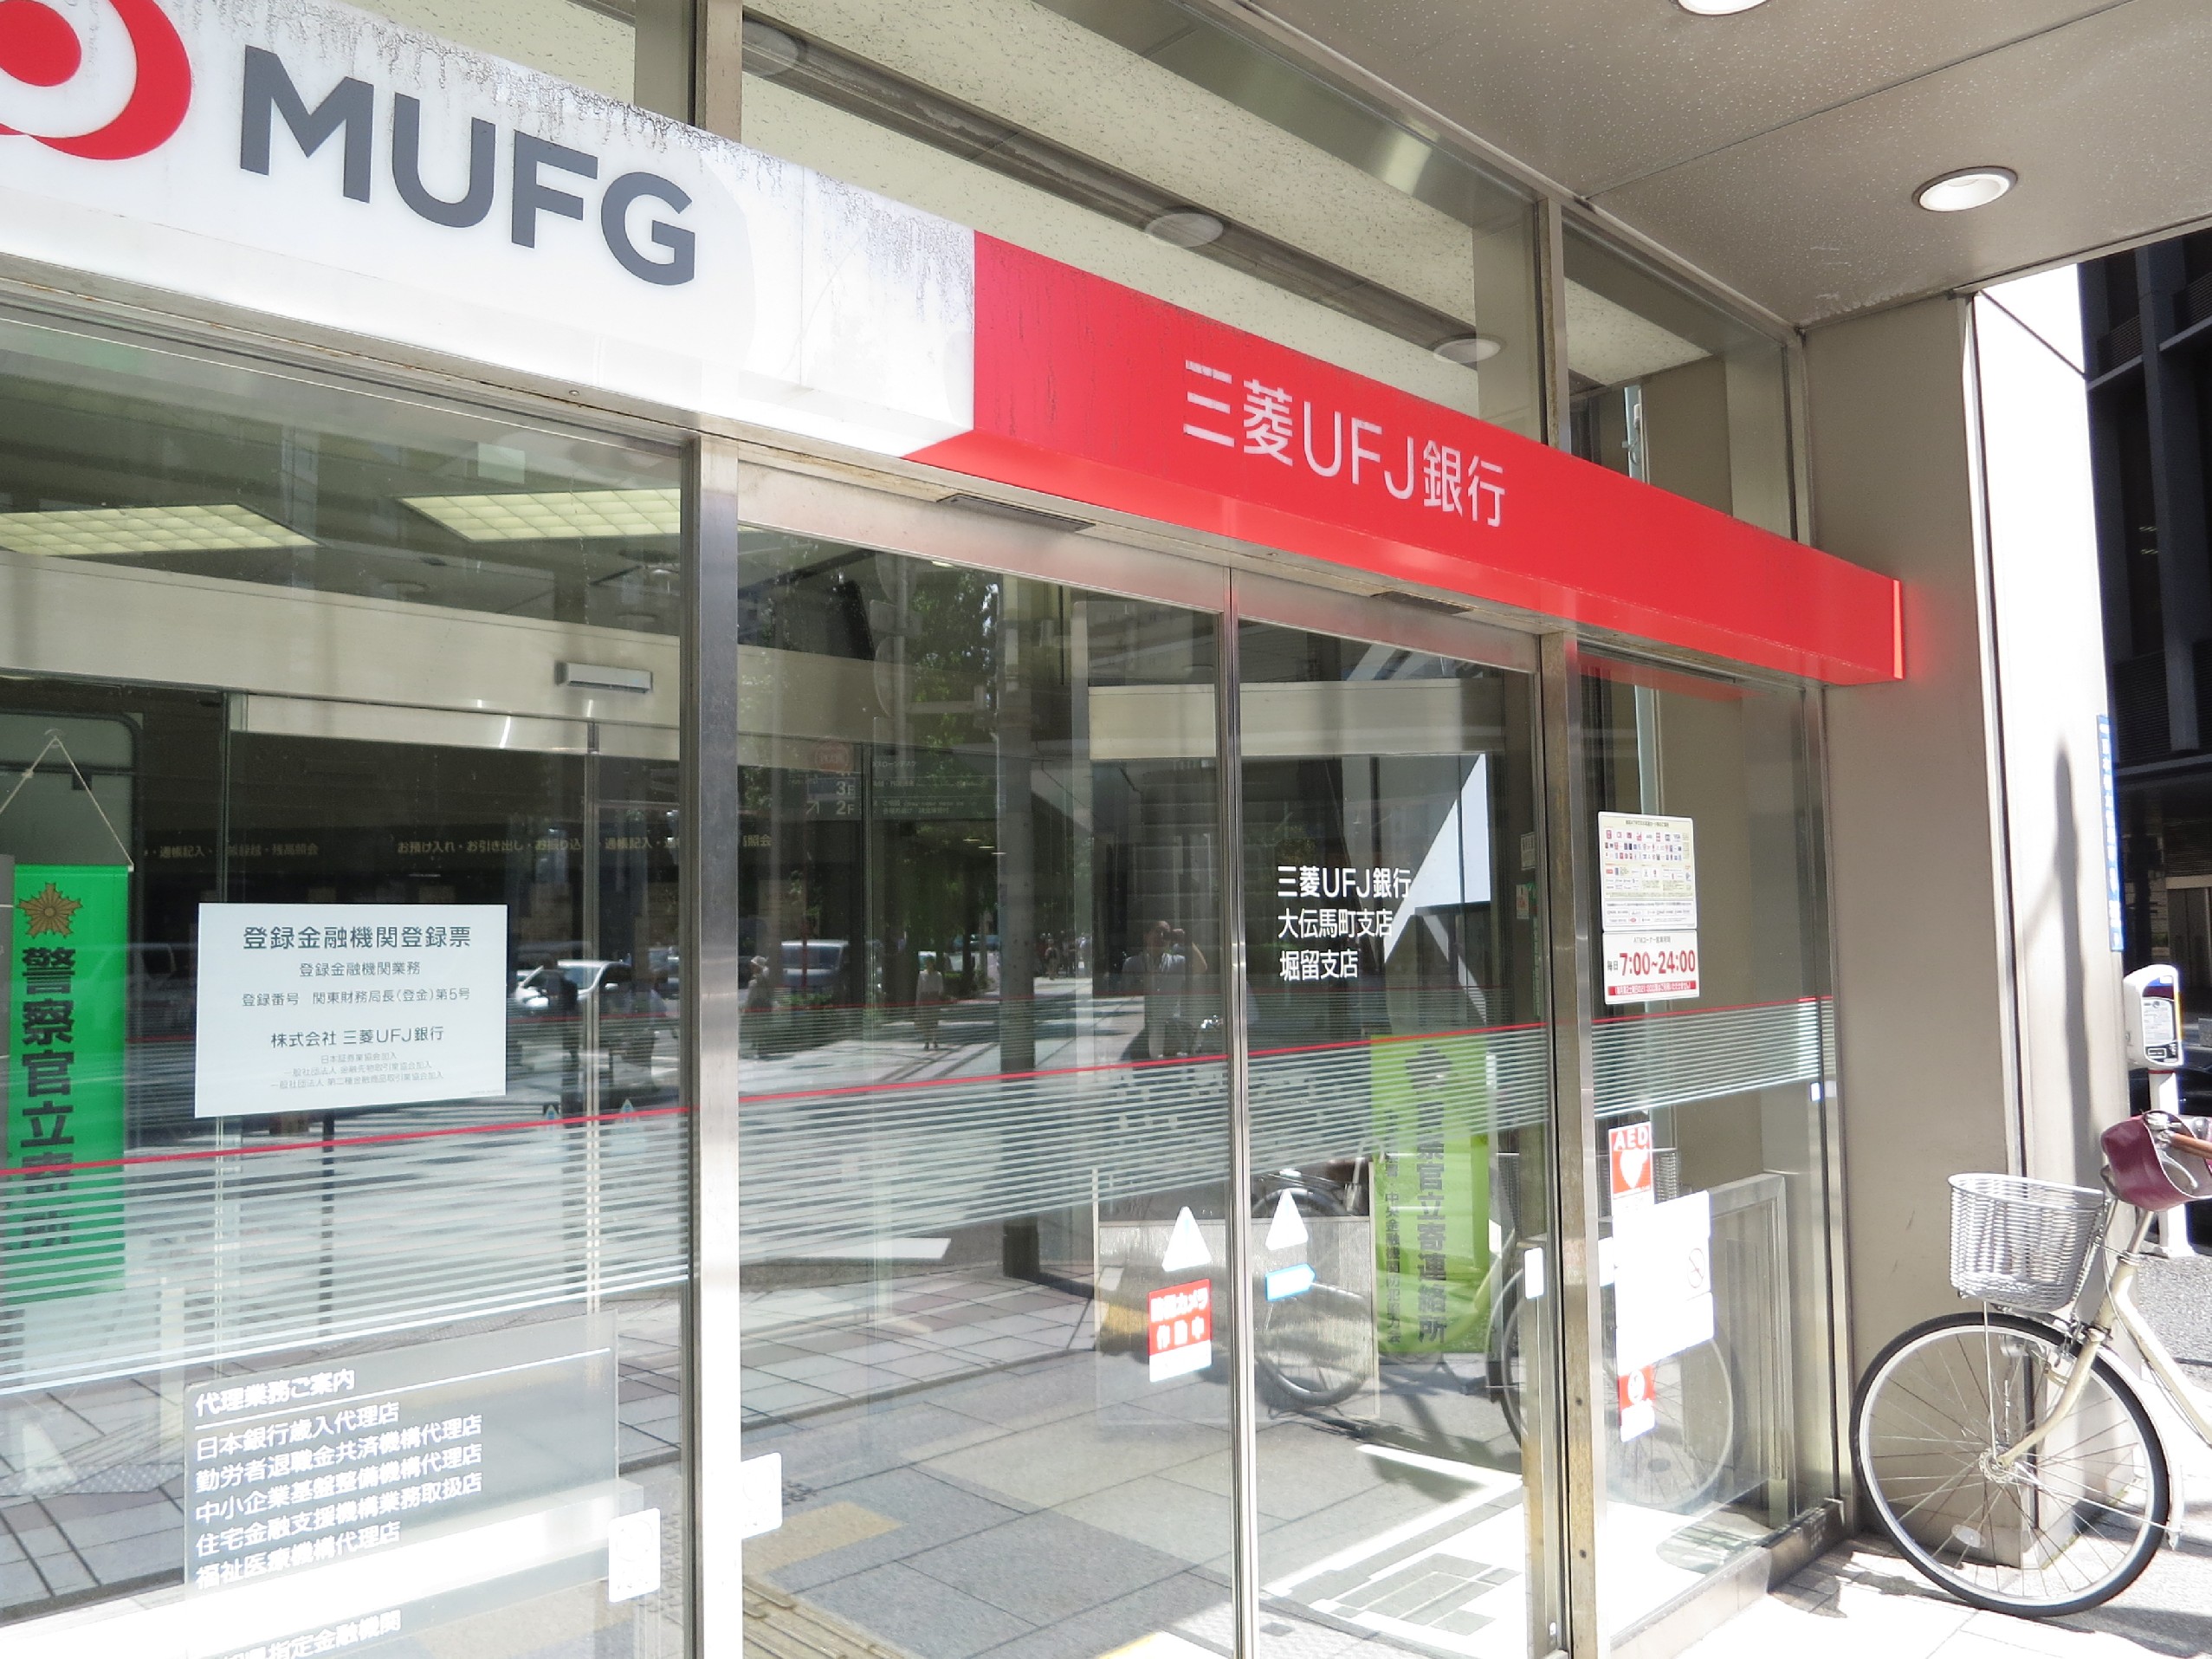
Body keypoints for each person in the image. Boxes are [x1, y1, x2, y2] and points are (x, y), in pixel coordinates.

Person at [915, 952, 947, 1050]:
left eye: (930, 962)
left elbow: (941, 988)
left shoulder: (938, 975)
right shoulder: (922, 974)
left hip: (934, 998)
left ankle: (935, 1039)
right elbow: (919, 988)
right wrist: (917, 1002)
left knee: (934, 1020)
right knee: (925, 1021)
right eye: (926, 963)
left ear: (933, 963)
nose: (928, 965)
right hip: (924, 999)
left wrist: (939, 994)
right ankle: (926, 1041)